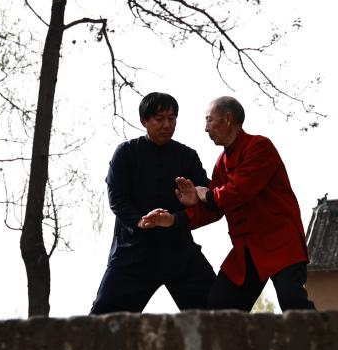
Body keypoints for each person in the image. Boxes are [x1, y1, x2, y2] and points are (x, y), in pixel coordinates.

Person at [138, 95, 315, 312]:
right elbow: (214, 209)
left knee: (293, 303)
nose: (206, 128)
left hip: (279, 242)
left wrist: (206, 195)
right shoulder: (222, 163)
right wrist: (174, 219)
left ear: (228, 118)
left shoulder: (260, 147)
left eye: (209, 120)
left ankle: (328, 344)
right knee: (221, 305)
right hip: (247, 251)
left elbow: (238, 191)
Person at [90, 92, 217, 314]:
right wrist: (139, 221)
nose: (167, 125)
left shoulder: (187, 156)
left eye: (172, 118)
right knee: (103, 319)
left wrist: (195, 198)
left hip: (179, 250)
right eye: (159, 119)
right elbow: (117, 198)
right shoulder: (126, 153)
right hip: (133, 252)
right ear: (144, 121)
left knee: (219, 312)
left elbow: (208, 197)